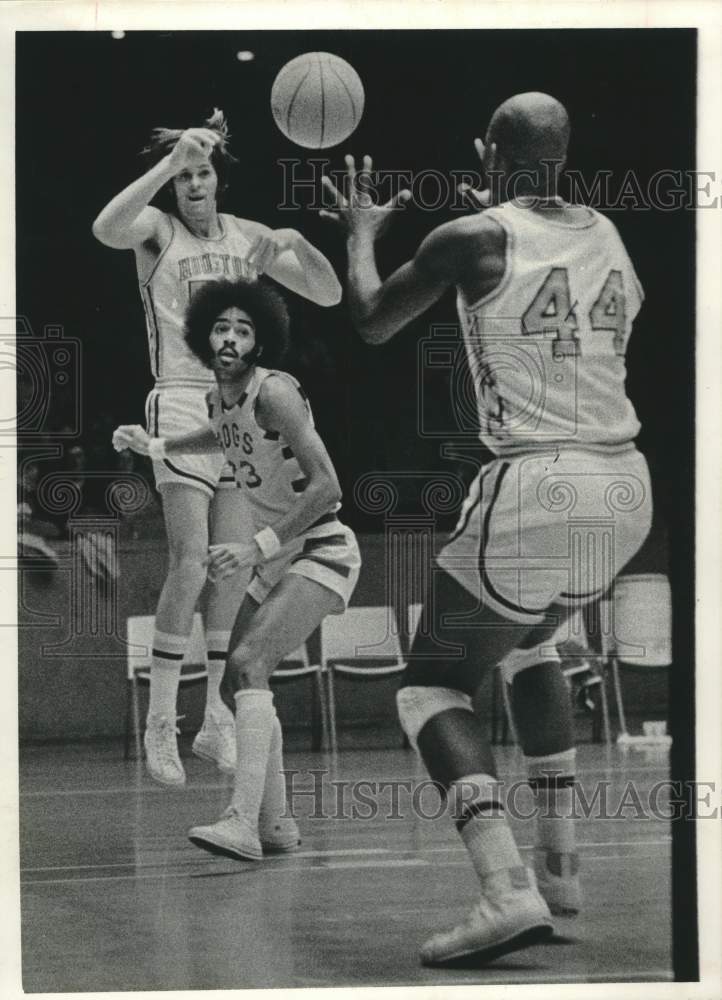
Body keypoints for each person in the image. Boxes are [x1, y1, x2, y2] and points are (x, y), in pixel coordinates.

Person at [321, 92, 652, 965]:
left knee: (430, 686)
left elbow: (371, 320)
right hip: (624, 491)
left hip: (538, 482)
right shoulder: (609, 234)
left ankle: (505, 890)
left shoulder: (471, 238)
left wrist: (360, 230)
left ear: (490, 153)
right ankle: (564, 869)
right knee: (533, 645)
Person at [93, 109, 342, 786]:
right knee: (190, 559)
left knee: (229, 568)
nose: (193, 185)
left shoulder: (250, 237)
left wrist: (297, 239)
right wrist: (170, 159)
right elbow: (105, 227)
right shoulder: (157, 230)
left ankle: (214, 718)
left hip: (238, 405)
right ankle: (161, 719)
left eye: (202, 173)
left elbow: (327, 289)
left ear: (218, 181)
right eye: (184, 176)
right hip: (178, 397)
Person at [113, 276, 361, 858]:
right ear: (203, 335)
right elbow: (220, 435)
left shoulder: (274, 392)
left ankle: (242, 822)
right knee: (234, 677)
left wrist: (258, 545)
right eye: (221, 327)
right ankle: (276, 824)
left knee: (248, 662)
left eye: (243, 330)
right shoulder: (216, 397)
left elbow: (328, 486)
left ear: (259, 341)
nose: (230, 338)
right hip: (279, 557)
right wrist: (154, 446)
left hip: (321, 549)